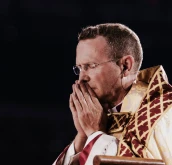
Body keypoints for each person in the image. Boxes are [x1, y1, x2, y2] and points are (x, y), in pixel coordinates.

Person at [53, 23, 172, 165]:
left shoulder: (164, 113)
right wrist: (83, 137)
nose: (82, 78)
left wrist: (95, 134)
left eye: (90, 66)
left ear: (125, 66)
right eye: (79, 69)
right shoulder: (102, 115)